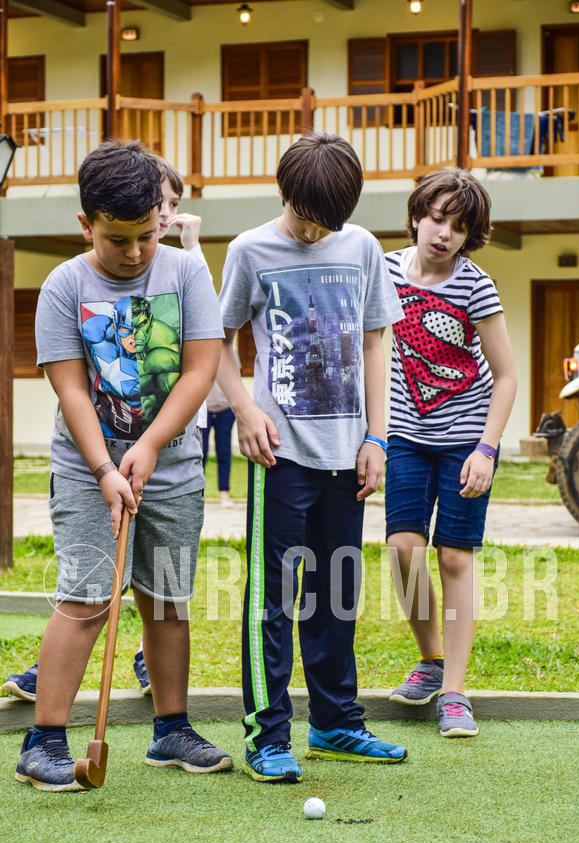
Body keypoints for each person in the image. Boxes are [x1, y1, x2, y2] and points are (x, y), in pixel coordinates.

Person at [14, 140, 232, 791]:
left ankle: (171, 731)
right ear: (87, 226)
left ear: (161, 222)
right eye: (117, 239)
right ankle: (44, 740)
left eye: (145, 236)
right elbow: (72, 389)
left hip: (172, 469)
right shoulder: (65, 285)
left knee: (167, 600)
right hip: (88, 473)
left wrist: (149, 445)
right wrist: (108, 468)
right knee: (85, 599)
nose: (134, 253)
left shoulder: (187, 274)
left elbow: (200, 369)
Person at [217, 132, 408, 783]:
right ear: (284, 192)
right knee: (271, 599)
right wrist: (245, 411)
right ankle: (266, 737)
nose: (309, 230)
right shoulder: (250, 250)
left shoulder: (362, 249)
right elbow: (217, 339)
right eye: (303, 215)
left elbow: (377, 340)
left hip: (348, 454)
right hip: (281, 457)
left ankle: (335, 725)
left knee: (336, 593)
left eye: (325, 221)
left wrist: (378, 438)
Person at [384, 167, 517, 738]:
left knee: (455, 558)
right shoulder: (384, 270)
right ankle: (431, 658)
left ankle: (456, 692)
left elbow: (507, 376)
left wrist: (487, 449)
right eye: (436, 219)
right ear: (417, 215)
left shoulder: (475, 286)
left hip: (466, 437)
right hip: (404, 435)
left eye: (458, 227)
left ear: (469, 236)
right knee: (402, 550)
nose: (443, 234)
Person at [201, 348, 239, 506]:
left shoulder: (231, 350)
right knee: (200, 453)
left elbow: (235, 376)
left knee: (224, 452)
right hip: (204, 408)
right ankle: (199, 494)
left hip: (225, 408)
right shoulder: (201, 348)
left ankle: (224, 493)